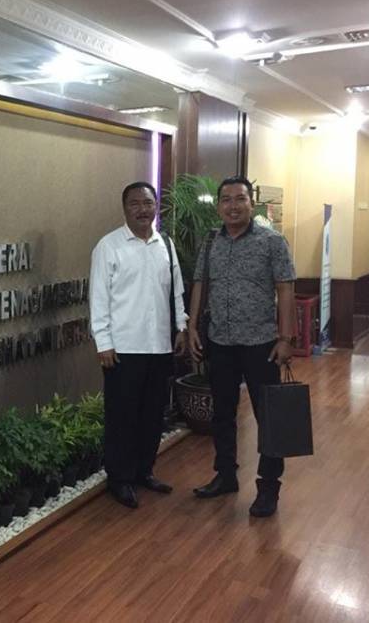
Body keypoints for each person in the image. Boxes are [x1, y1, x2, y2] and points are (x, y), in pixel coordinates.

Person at [188, 176, 296, 518]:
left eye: (240, 199)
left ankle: (268, 487)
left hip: (261, 344)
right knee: (222, 413)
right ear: (219, 205)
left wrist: (286, 338)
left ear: (251, 203)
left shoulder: (271, 241)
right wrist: (191, 327)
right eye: (226, 200)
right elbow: (200, 284)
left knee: (269, 418)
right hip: (220, 341)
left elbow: (285, 289)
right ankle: (225, 475)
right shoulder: (211, 242)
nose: (232, 206)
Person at [90, 181, 187, 509]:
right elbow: (99, 297)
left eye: (148, 203)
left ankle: (144, 471)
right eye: (135, 204)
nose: (143, 209)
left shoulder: (166, 245)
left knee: (152, 415)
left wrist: (181, 326)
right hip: (123, 349)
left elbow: (176, 291)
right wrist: (103, 342)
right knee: (122, 417)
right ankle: (119, 479)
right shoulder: (109, 246)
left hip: (159, 346)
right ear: (125, 208)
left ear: (156, 206)